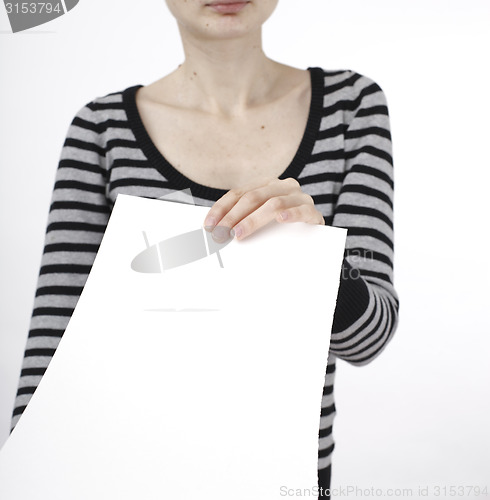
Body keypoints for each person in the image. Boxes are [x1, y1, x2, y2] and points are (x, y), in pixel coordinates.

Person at [10, 0, 399, 496]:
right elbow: (52, 345)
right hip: (123, 471)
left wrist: (318, 258)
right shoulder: (101, 127)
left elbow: (369, 340)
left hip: (286, 475)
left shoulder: (352, 106)